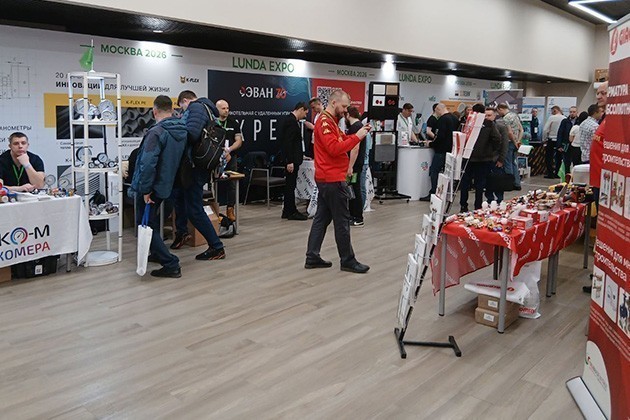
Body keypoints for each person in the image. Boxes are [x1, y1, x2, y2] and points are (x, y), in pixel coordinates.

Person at [305, 89, 372, 274]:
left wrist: (358, 134)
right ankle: (347, 260)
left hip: (328, 178)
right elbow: (335, 148)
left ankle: (312, 256)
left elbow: (342, 139)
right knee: (341, 221)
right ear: (333, 103)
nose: (345, 110)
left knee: (321, 218)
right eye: (343, 106)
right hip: (332, 178)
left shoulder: (330, 121)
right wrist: (357, 137)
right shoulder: (325, 122)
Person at [129, 95, 187, 278]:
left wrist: (146, 189)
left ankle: (170, 263)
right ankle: (157, 253)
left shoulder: (156, 132)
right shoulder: (182, 130)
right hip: (168, 184)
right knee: (151, 222)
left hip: (152, 187)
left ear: (154, 111)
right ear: (172, 110)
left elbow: (147, 163)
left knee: (144, 224)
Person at [174, 90, 226, 260]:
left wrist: (175, 131)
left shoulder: (196, 107)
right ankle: (182, 233)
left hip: (194, 166)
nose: (182, 110)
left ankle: (216, 247)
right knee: (182, 199)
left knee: (194, 209)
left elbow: (192, 134)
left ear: (185, 100)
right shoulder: (208, 109)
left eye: (181, 107)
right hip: (200, 165)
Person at [459, 104, 501, 212]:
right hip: (484, 159)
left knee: (465, 183)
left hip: (467, 157)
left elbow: (460, 136)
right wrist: (491, 150)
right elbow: (497, 138)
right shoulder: (489, 124)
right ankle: (478, 206)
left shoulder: (467, 122)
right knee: (480, 184)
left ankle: (463, 205)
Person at [421, 103, 459, 201]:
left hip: (441, 150)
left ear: (438, 110)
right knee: (447, 174)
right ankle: (446, 193)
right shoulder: (455, 119)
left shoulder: (442, 119)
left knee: (434, 171)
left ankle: (433, 192)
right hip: (451, 151)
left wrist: (431, 144)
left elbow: (440, 137)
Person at [280, 102, 309, 220]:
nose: (305, 116)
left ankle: (287, 210)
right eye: (305, 113)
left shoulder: (291, 120)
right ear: (301, 109)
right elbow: (288, 142)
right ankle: (291, 211)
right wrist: (290, 161)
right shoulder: (291, 122)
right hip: (291, 160)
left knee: (290, 186)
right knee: (290, 186)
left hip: (293, 158)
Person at [215, 99, 243, 222]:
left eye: (227, 108)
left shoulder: (233, 123)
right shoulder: (212, 123)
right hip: (215, 158)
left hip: (231, 157)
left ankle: (230, 209)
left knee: (232, 184)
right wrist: (220, 152)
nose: (226, 110)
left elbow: (239, 140)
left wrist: (229, 150)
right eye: (223, 108)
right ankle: (214, 209)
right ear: (217, 109)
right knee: (213, 183)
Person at [346, 106, 366, 227]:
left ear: (348, 115)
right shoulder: (359, 126)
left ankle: (357, 216)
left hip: (354, 165)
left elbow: (355, 148)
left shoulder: (355, 128)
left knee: (354, 189)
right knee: (353, 189)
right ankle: (353, 214)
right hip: (356, 164)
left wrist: (350, 166)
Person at [496, 103, 523, 190]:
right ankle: (517, 183)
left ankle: (509, 184)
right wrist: (518, 141)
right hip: (516, 142)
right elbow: (521, 130)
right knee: (514, 163)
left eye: (498, 111)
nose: (498, 113)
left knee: (508, 164)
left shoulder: (506, 118)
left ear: (500, 109)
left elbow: (509, 133)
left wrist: (514, 142)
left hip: (509, 142)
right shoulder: (515, 115)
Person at [485, 107, 509, 203]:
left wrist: (501, 159)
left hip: (496, 159)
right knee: (487, 181)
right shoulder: (482, 127)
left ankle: (499, 199)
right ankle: (489, 199)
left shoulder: (501, 127)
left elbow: (505, 144)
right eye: (485, 115)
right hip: (485, 159)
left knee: (498, 180)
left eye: (489, 115)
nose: (487, 117)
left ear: (494, 116)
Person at [542, 105, 565, 178]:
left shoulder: (552, 118)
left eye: (552, 111)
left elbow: (545, 129)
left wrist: (544, 139)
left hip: (551, 139)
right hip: (560, 140)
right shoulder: (564, 118)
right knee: (559, 158)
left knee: (549, 157)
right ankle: (558, 173)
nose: (551, 113)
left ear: (555, 110)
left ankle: (550, 173)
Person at [558, 106, 578, 174]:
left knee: (575, 161)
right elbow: (560, 133)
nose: (572, 113)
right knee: (566, 161)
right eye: (571, 112)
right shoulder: (565, 121)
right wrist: (559, 145)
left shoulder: (579, 121)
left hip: (576, 145)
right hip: (566, 144)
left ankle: (575, 176)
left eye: (574, 112)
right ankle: (567, 175)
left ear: (577, 112)